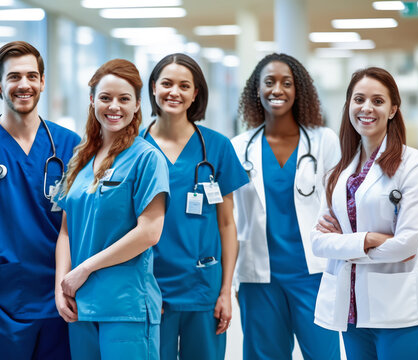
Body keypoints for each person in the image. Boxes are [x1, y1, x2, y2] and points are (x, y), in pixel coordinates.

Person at [0, 41, 80, 360]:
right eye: (14, 77)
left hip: (62, 298)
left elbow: (79, 225)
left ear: (43, 81)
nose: (24, 84)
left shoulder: (71, 146)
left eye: (32, 76)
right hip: (3, 303)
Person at [312, 67, 418, 360]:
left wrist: (344, 245)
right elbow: (318, 242)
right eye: (359, 99)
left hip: (397, 309)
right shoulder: (338, 172)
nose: (367, 108)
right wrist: (370, 239)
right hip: (351, 310)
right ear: (349, 106)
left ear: (393, 109)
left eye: (378, 101)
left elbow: (406, 245)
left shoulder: (414, 164)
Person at [54, 59, 169, 360]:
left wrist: (84, 269)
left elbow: (149, 233)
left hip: (125, 307)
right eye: (105, 97)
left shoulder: (147, 158)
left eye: (124, 99)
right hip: (79, 305)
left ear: (136, 105)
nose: (114, 106)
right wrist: (60, 286)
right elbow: (66, 230)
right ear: (92, 101)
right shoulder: (81, 159)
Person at [231, 53, 342, 360]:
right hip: (258, 277)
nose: (277, 89)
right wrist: (233, 280)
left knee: (324, 354)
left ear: (299, 90)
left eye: (286, 83)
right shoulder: (239, 147)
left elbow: (339, 206)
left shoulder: (323, 141)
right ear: (256, 89)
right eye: (269, 82)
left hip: (313, 274)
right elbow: (231, 218)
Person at [140, 53, 248, 360]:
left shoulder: (217, 146)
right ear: (153, 87)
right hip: (149, 286)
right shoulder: (133, 146)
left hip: (202, 285)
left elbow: (227, 224)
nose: (174, 92)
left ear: (195, 93)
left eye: (184, 85)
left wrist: (225, 290)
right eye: (167, 83)